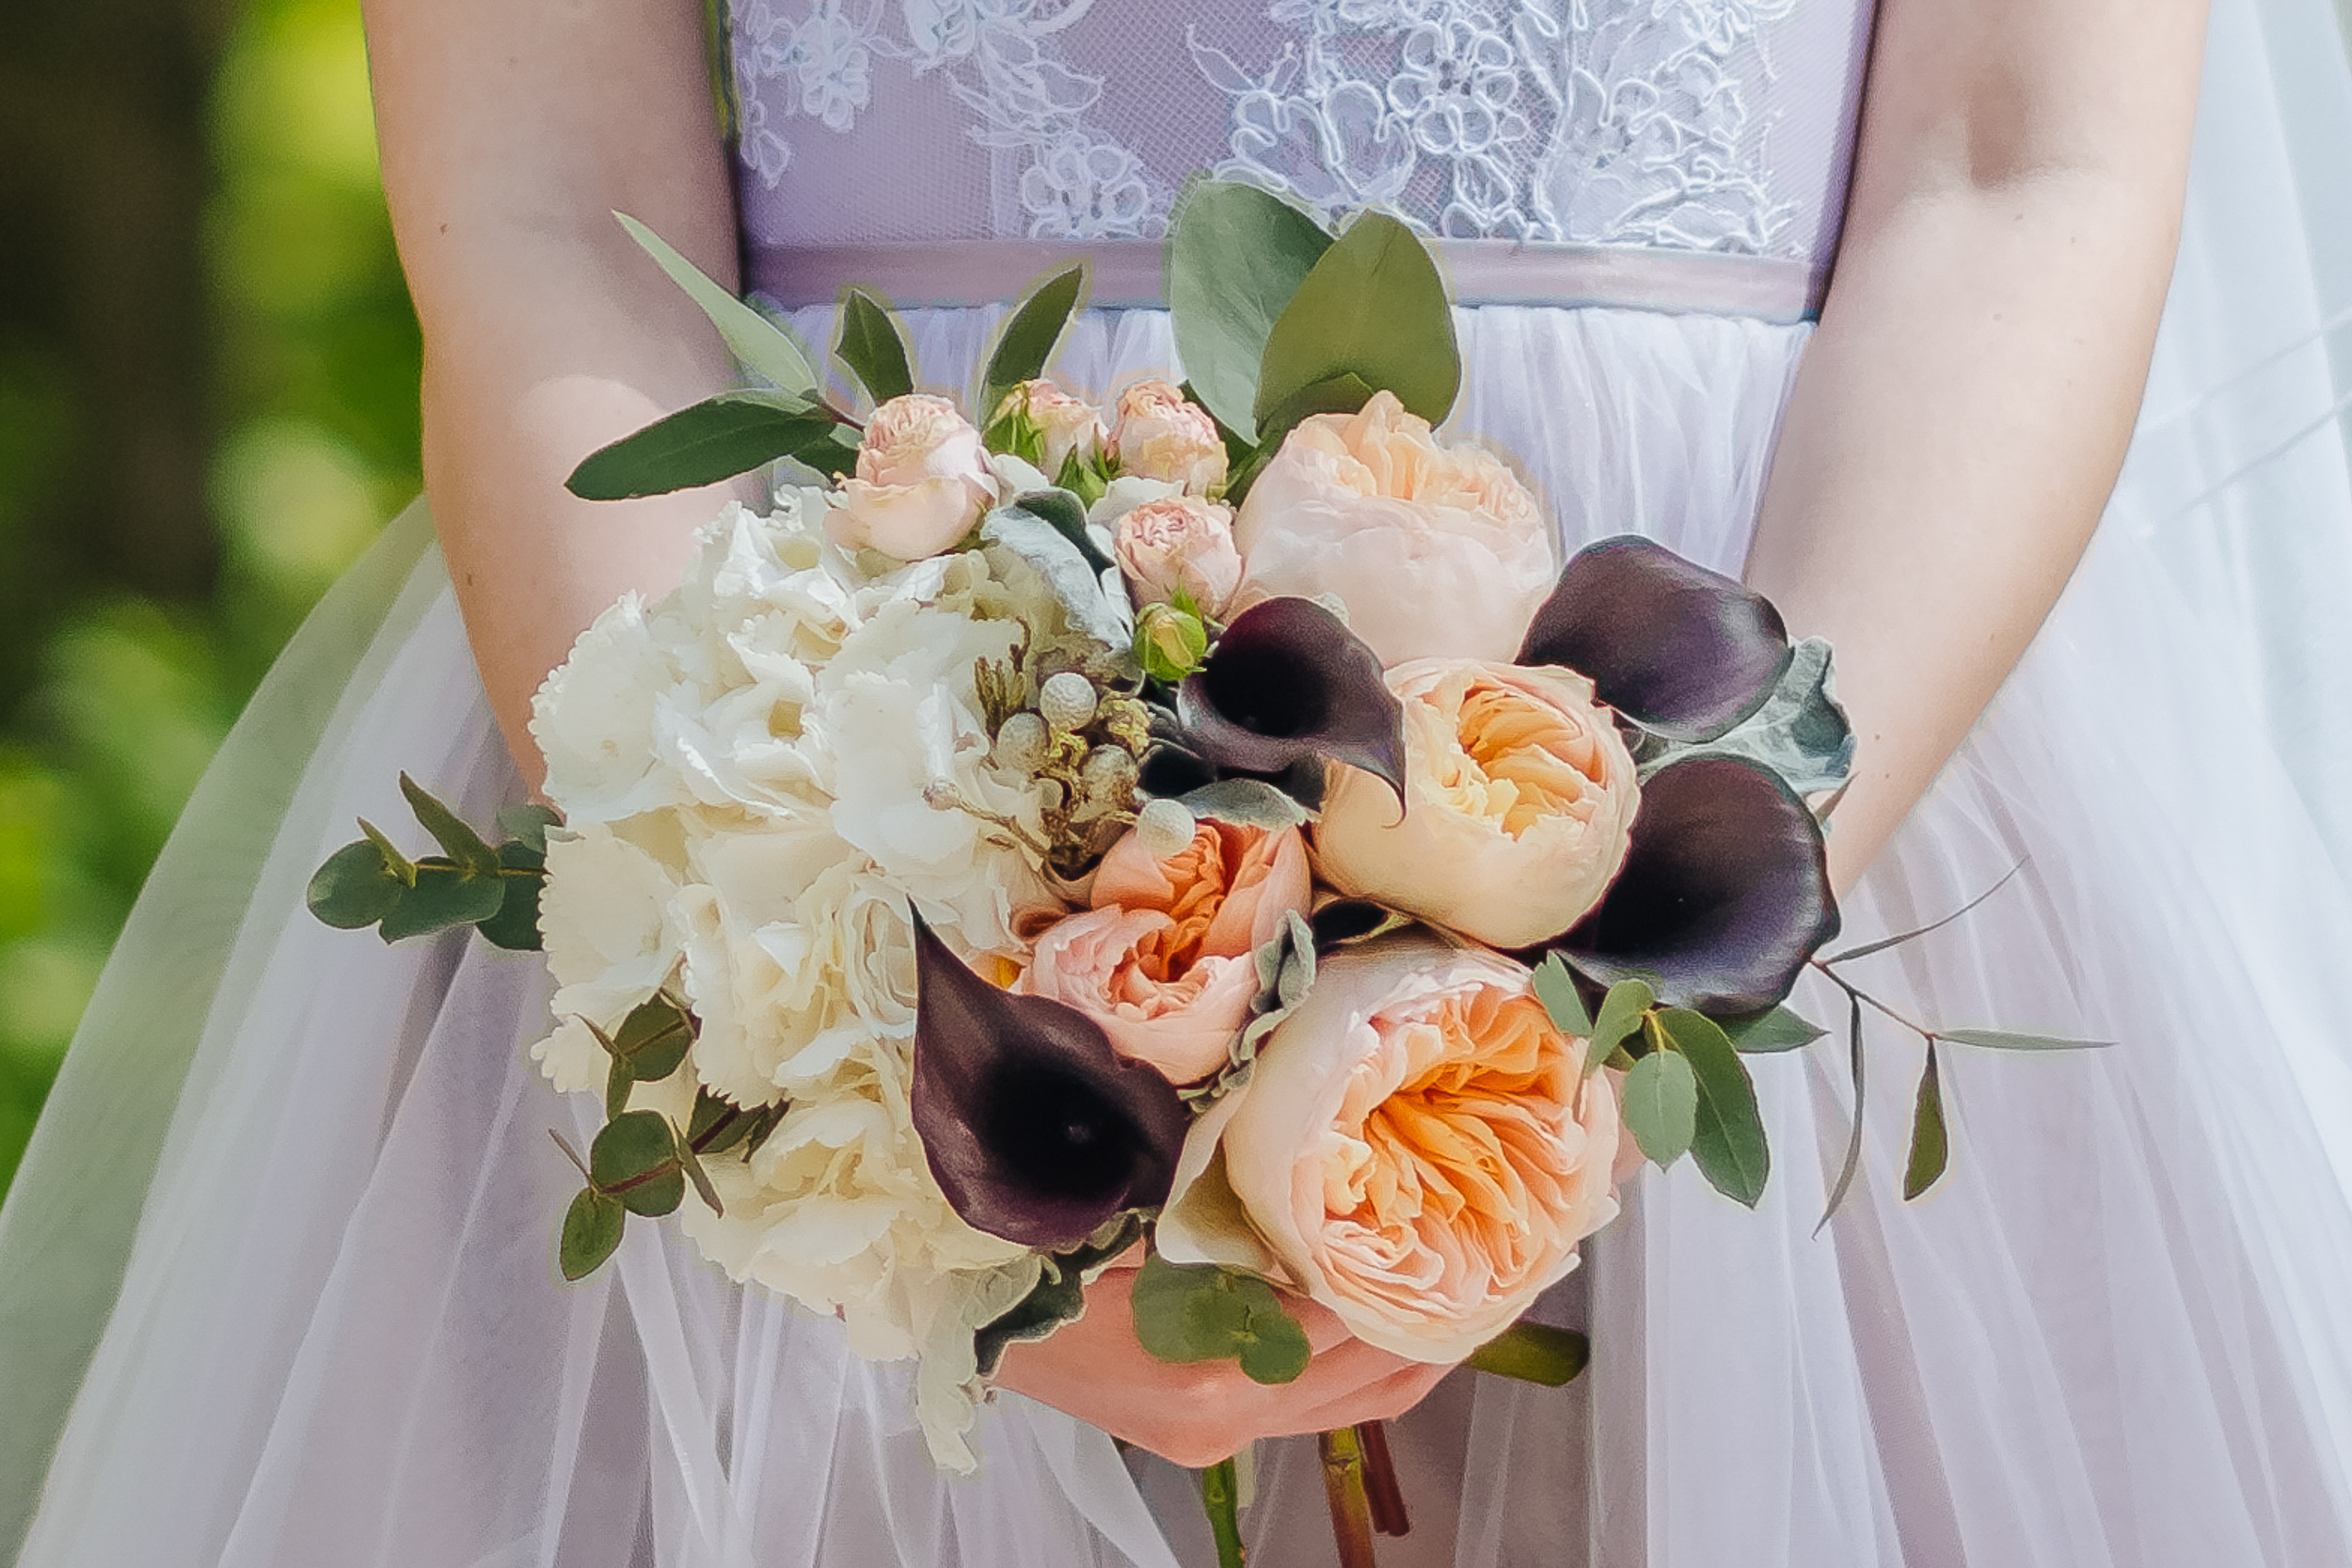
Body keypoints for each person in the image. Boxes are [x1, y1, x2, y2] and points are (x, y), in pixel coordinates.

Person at [8, 0, 2352, 1562]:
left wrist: (1632, 942)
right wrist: (872, 1058)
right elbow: (539, 209)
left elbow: (2014, 162)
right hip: (855, 694)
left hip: (1770, 654)